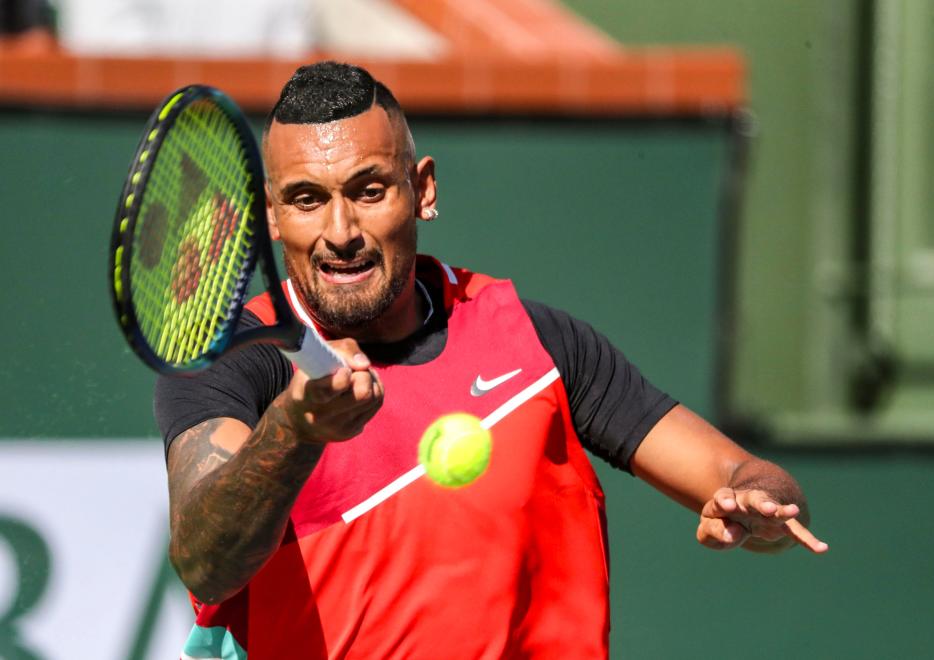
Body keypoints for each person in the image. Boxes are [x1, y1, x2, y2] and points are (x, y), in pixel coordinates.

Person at [155, 61, 828, 659]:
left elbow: (736, 474)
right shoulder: (241, 362)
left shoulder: (540, 344)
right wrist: (293, 432)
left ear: (422, 191)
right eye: (308, 199)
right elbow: (206, 561)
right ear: (271, 216)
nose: (340, 232)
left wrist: (760, 501)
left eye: (368, 190)